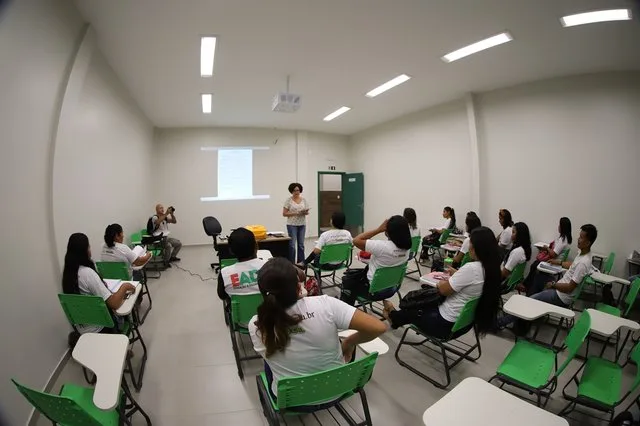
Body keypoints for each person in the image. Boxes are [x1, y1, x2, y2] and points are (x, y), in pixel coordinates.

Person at [249, 258, 386, 402]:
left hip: (292, 400)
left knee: (270, 356)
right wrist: (349, 342)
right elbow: (378, 327)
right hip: (339, 389)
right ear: (298, 286)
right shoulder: (326, 304)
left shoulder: (256, 324)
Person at [382, 226, 502, 339]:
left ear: (477, 248)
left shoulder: (471, 268)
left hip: (443, 324)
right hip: (463, 325)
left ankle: (393, 317)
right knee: (422, 303)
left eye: (471, 243)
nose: (469, 247)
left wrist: (440, 283)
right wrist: (458, 274)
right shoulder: (491, 269)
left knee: (415, 306)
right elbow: (472, 282)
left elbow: (443, 290)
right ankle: (395, 316)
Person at [499, 224, 597, 328]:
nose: (578, 239)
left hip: (561, 296)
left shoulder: (583, 262)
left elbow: (569, 288)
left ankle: (501, 322)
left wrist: (554, 285)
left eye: (581, 238)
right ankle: (526, 315)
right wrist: (559, 262)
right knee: (538, 276)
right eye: (579, 236)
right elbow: (572, 266)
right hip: (559, 287)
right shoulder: (583, 253)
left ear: (588, 242)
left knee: (529, 300)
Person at [62, 233, 136, 334]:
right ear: (84, 251)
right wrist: (125, 286)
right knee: (123, 309)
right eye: (88, 247)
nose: (90, 249)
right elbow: (114, 304)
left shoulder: (68, 275)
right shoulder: (87, 273)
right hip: (101, 328)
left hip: (82, 329)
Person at [340, 215, 411, 306]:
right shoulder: (407, 248)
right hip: (392, 288)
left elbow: (356, 240)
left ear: (389, 231)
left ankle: (346, 310)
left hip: (373, 291)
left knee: (348, 280)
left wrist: (378, 229)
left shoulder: (382, 247)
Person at [521, 217, 572, 295]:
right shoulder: (565, 239)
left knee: (534, 265)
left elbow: (553, 254)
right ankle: (527, 286)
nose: (558, 226)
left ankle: (526, 286)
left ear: (563, 227)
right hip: (555, 261)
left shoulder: (563, 240)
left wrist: (547, 248)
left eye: (560, 225)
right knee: (535, 265)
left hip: (554, 262)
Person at [217, 228, 266, 302]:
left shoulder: (224, 274)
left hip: (239, 313)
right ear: (256, 246)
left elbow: (222, 296)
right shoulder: (269, 267)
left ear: (231, 251)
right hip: (268, 312)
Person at [282, 183, 309, 263]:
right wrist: (296, 213)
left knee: (301, 245)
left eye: (298, 190)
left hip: (302, 224)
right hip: (292, 225)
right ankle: (292, 263)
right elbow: (284, 213)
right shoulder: (288, 200)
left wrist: (305, 212)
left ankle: (301, 263)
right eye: (294, 190)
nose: (296, 192)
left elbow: (307, 212)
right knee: (292, 245)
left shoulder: (304, 199)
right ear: (291, 191)